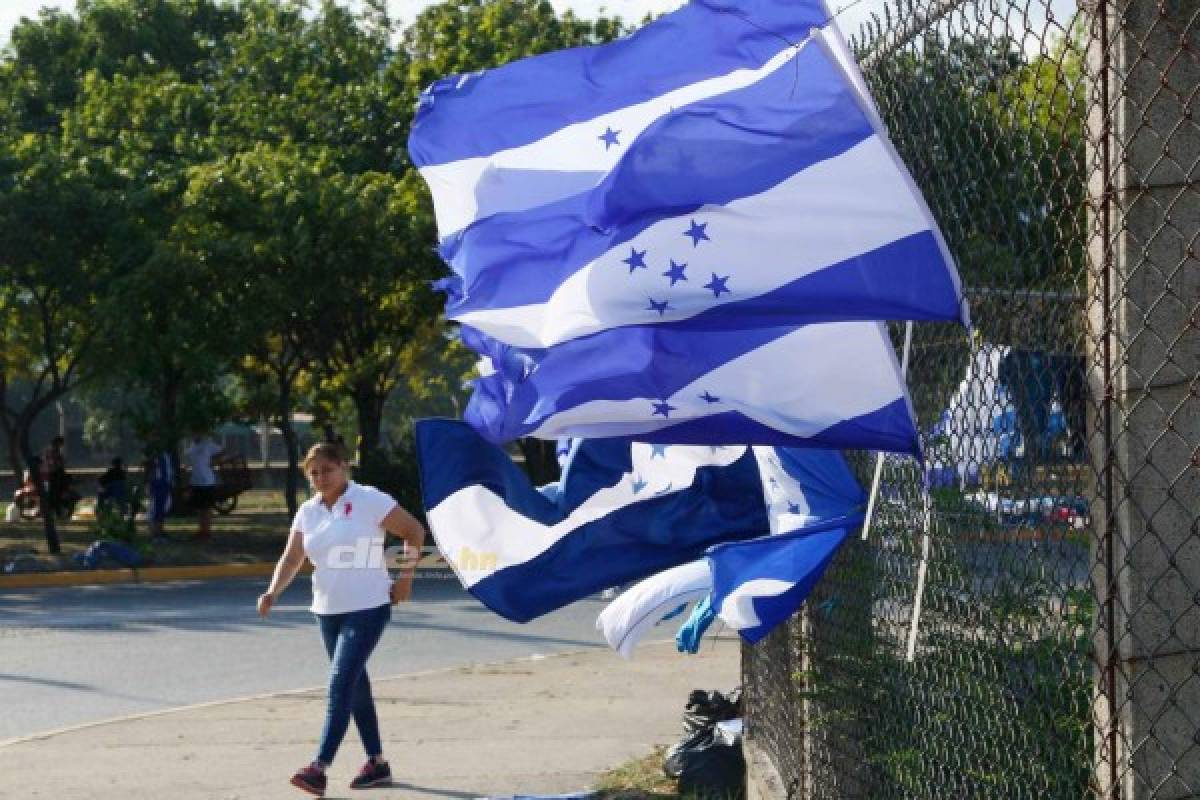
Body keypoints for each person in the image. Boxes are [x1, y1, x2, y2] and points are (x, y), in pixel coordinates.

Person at [257, 443, 425, 796]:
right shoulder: (308, 511)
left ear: (344, 467)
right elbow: (291, 559)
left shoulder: (369, 499)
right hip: (327, 610)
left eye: (328, 470)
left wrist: (405, 578)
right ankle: (377, 764)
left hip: (369, 605)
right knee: (355, 686)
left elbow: (413, 531)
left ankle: (319, 767)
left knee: (339, 684)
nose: (321, 478)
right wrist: (273, 591)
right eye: (314, 473)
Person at [183, 433, 224, 540]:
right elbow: (188, 464)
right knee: (200, 508)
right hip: (196, 481)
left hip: (207, 481)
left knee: (206, 508)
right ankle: (201, 530)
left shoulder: (207, 444)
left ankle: (207, 531)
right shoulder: (191, 447)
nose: (194, 435)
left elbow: (222, 451)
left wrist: (214, 462)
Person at [145, 448, 174, 541]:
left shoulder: (167, 455)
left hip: (165, 484)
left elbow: (169, 471)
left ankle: (160, 531)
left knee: (164, 507)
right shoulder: (155, 456)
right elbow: (151, 470)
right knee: (155, 509)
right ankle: (155, 533)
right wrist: (149, 484)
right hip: (158, 484)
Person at [40, 436, 68, 515]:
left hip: (50, 474)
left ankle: (55, 510)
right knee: (55, 493)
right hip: (53, 474)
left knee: (53, 493)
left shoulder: (49, 450)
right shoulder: (53, 451)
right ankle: (56, 510)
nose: (61, 446)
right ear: (58, 443)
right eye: (61, 444)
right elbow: (55, 464)